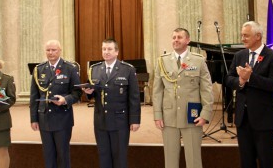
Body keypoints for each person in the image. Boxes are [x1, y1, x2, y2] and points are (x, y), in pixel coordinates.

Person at [152, 28, 214, 168]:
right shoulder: (162, 61)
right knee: (170, 159)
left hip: (192, 116)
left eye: (179, 37)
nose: (175, 40)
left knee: (194, 160)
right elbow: (157, 91)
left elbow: (206, 89)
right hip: (169, 116)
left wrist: (205, 114)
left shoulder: (198, 61)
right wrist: (157, 115)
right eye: (173, 37)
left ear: (187, 40)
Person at [226, 21, 273, 168]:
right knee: (246, 162)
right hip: (243, 119)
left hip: (263, 119)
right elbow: (229, 78)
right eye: (242, 35)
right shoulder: (239, 55)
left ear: (258, 36)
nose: (242, 38)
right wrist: (241, 81)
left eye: (246, 35)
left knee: (265, 161)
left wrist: (251, 77)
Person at [82, 38, 141, 168]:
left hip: (120, 120)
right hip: (100, 120)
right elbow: (91, 94)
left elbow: (134, 97)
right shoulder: (94, 69)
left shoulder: (127, 70)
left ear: (116, 52)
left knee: (119, 156)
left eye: (109, 49)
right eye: (104, 49)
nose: (106, 52)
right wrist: (88, 91)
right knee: (103, 155)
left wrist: (135, 120)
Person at [30, 40, 82, 168]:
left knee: (63, 155)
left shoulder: (69, 68)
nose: (51, 53)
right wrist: (34, 119)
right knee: (48, 155)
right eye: (48, 50)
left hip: (62, 118)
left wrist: (65, 100)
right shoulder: (39, 69)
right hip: (44, 118)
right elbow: (34, 96)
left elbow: (77, 93)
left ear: (60, 51)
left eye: (54, 50)